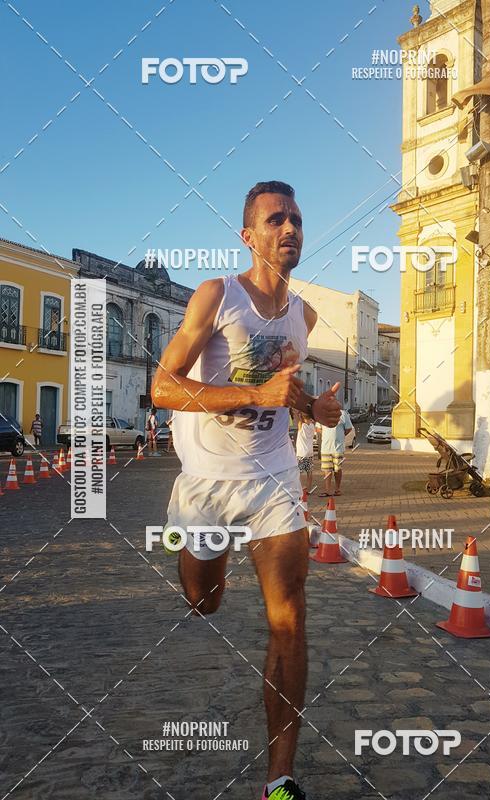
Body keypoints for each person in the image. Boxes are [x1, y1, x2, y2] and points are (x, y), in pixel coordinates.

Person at [152, 180, 341, 800]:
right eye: (275, 219)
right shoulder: (218, 295)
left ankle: (279, 780)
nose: (289, 228)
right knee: (202, 601)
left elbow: (287, 393)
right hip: (206, 482)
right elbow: (162, 387)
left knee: (290, 619)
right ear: (248, 235)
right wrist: (253, 393)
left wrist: (315, 409)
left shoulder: (304, 316)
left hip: (274, 479)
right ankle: (209, 571)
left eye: (296, 219)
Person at [318, 400, 352, 497]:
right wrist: (326, 435)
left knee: (337, 469)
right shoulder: (322, 414)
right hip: (326, 448)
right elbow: (318, 428)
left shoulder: (342, 414)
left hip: (338, 448)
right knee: (327, 470)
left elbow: (348, 428)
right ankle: (327, 490)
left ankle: (337, 489)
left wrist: (340, 436)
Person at [295, 412, 315, 493]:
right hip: (310, 452)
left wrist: (298, 414)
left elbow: (298, 419)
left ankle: (302, 487)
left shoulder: (302, 425)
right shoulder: (312, 426)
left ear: (303, 418)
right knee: (309, 472)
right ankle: (309, 489)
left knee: (300, 472)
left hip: (301, 453)